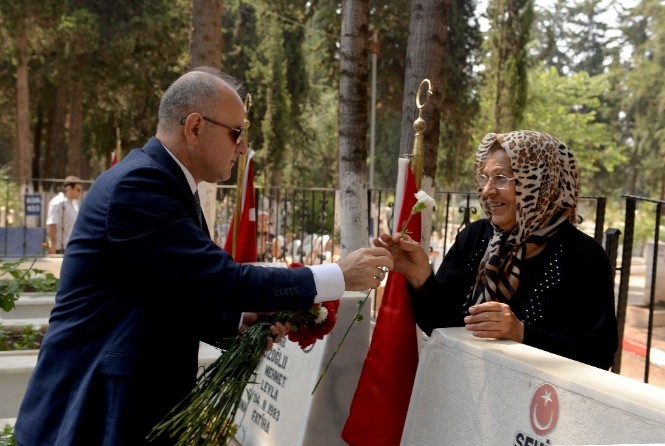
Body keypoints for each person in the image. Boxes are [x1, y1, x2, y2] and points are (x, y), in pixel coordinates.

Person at [15, 67, 393, 446]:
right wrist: (338, 275)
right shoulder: (140, 186)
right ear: (195, 128)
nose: (243, 147)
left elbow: (168, 291)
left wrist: (238, 321)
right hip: (92, 411)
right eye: (237, 133)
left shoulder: (166, 183)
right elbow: (223, 280)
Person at [375, 130, 619, 370]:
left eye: (501, 178)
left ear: (540, 182)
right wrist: (420, 276)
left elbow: (598, 354)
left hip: (539, 404)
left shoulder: (583, 257)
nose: (487, 190)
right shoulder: (475, 238)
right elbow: (441, 324)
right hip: (467, 389)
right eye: (485, 177)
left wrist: (521, 333)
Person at [46, 175, 83, 254]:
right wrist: (52, 246)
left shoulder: (74, 204)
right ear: (69, 189)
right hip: (60, 249)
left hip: (72, 247)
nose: (80, 193)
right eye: (78, 190)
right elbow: (52, 224)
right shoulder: (57, 202)